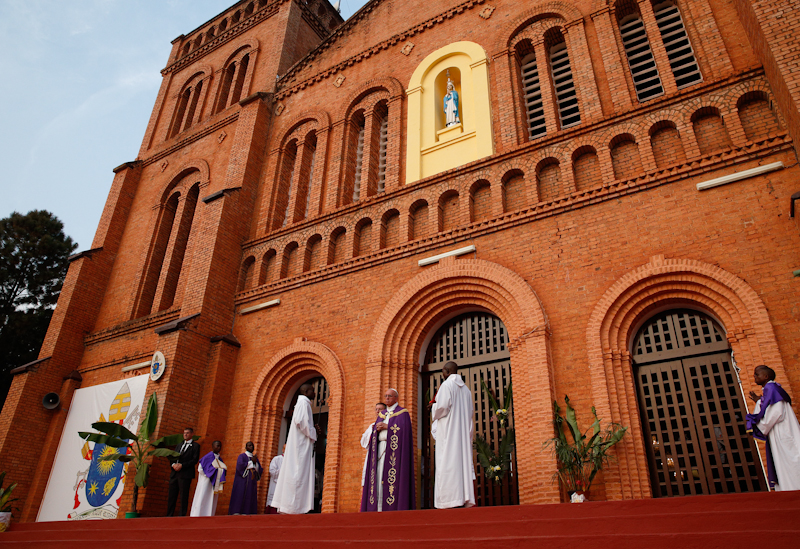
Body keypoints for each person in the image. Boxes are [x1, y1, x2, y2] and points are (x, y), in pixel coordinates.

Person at [429, 361, 475, 508]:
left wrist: (433, 406)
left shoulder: (446, 386)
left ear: (447, 371)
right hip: (460, 432)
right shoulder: (466, 390)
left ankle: (449, 500)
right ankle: (463, 497)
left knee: (447, 462)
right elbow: (470, 412)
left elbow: (442, 407)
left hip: (449, 432)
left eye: (443, 371)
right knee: (461, 463)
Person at [360, 389, 415, 512]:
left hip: (394, 453)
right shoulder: (381, 414)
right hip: (379, 450)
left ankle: (391, 507)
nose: (387, 398)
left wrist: (387, 427)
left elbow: (405, 433)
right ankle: (377, 507)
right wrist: (376, 430)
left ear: (396, 398)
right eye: (385, 396)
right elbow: (372, 434)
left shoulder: (402, 413)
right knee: (378, 477)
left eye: (389, 396)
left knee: (390, 479)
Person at [746, 365, 800, 491]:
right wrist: (759, 402)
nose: (754, 376)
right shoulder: (771, 389)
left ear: (766, 376)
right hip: (779, 431)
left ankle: (793, 489)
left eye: (757, 374)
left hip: (783, 432)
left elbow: (776, 413)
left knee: (789, 460)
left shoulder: (772, 388)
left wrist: (758, 424)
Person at [271, 384, 317, 514]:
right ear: (306, 392)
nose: (314, 393)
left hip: (300, 443)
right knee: (298, 472)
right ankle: (294, 507)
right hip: (301, 445)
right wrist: (313, 433)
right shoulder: (304, 403)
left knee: (297, 472)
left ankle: (293, 506)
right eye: (312, 391)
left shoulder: (301, 403)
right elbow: (301, 421)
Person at [166, 427, 200, 517]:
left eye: (188, 433)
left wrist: (182, 465)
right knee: (172, 495)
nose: (185, 434)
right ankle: (169, 514)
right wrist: (173, 464)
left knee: (183, 495)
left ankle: (182, 515)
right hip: (175, 473)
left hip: (185, 474)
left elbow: (194, 460)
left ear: (192, 434)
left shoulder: (195, 446)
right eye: (184, 433)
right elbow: (173, 456)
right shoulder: (179, 445)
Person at [190, 440, 227, 516]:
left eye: (220, 446)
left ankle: (209, 515)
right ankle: (198, 514)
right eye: (217, 445)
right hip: (206, 481)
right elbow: (200, 469)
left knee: (212, 499)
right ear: (212, 446)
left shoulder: (220, 460)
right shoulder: (207, 457)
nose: (218, 447)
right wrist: (210, 472)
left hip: (214, 483)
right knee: (202, 497)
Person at [228, 441, 263, 515]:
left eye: (252, 446)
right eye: (249, 445)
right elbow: (240, 466)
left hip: (251, 481)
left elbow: (259, 469)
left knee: (250, 495)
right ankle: (236, 511)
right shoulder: (242, 456)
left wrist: (255, 463)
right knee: (240, 494)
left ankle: (248, 512)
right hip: (242, 481)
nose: (251, 447)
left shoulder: (255, 458)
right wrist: (251, 463)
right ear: (246, 447)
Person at [361, 403, 387, 486]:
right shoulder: (371, 425)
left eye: (380, 409)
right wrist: (373, 432)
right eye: (376, 409)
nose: (378, 411)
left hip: (385, 452)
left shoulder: (389, 423)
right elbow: (363, 442)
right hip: (373, 454)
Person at [265, 445, 285, 514]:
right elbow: (272, 472)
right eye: (286, 449)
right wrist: (282, 471)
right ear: (282, 450)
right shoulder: (277, 459)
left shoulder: (292, 461)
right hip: (276, 484)